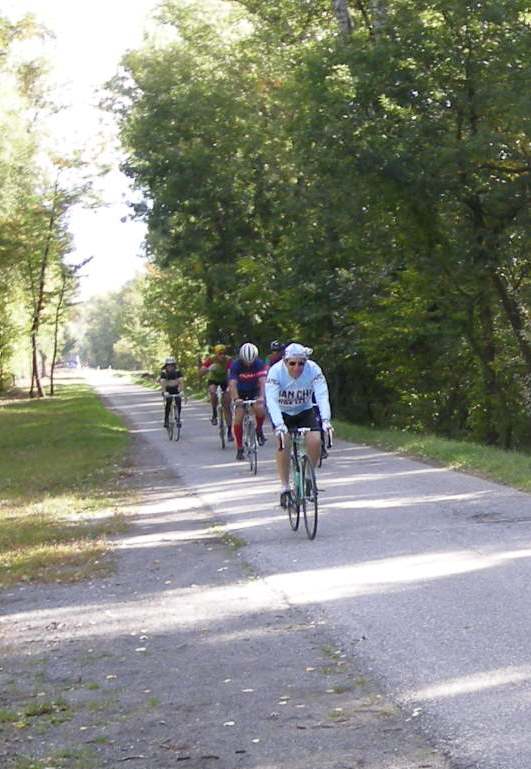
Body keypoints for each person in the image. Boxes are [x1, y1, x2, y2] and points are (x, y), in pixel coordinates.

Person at [265, 342, 332, 507]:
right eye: (292, 363)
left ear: (306, 362)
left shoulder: (313, 370)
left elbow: (322, 395)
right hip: (283, 413)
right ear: (285, 361)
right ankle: (285, 487)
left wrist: (326, 420)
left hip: (304, 411)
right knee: (284, 442)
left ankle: (309, 478)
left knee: (315, 441)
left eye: (301, 363)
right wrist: (279, 425)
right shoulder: (275, 372)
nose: (297, 367)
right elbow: (271, 401)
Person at [229, 342, 268, 460]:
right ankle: (240, 448)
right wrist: (236, 399)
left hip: (254, 390)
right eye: (246, 361)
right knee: (239, 417)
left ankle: (259, 429)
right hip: (240, 392)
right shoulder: (236, 365)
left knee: (260, 409)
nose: (248, 364)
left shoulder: (259, 364)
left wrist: (262, 397)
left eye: (250, 361)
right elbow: (232, 384)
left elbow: (262, 381)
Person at [199, 344, 233, 441]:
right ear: (216, 354)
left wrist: (230, 384)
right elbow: (201, 372)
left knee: (227, 404)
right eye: (220, 354)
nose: (222, 356)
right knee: (213, 392)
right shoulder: (211, 359)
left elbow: (232, 372)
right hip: (213, 380)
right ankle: (214, 412)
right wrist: (207, 369)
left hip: (224, 380)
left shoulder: (229, 360)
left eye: (223, 353)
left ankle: (230, 431)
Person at [160, 356, 184, 428]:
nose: (170, 367)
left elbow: (181, 380)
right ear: (166, 366)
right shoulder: (164, 372)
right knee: (169, 402)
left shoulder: (177, 371)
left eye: (172, 365)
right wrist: (164, 392)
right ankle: (166, 419)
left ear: (174, 365)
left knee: (178, 401)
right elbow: (162, 382)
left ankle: (178, 417)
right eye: (168, 365)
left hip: (176, 389)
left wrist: (181, 390)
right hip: (167, 390)